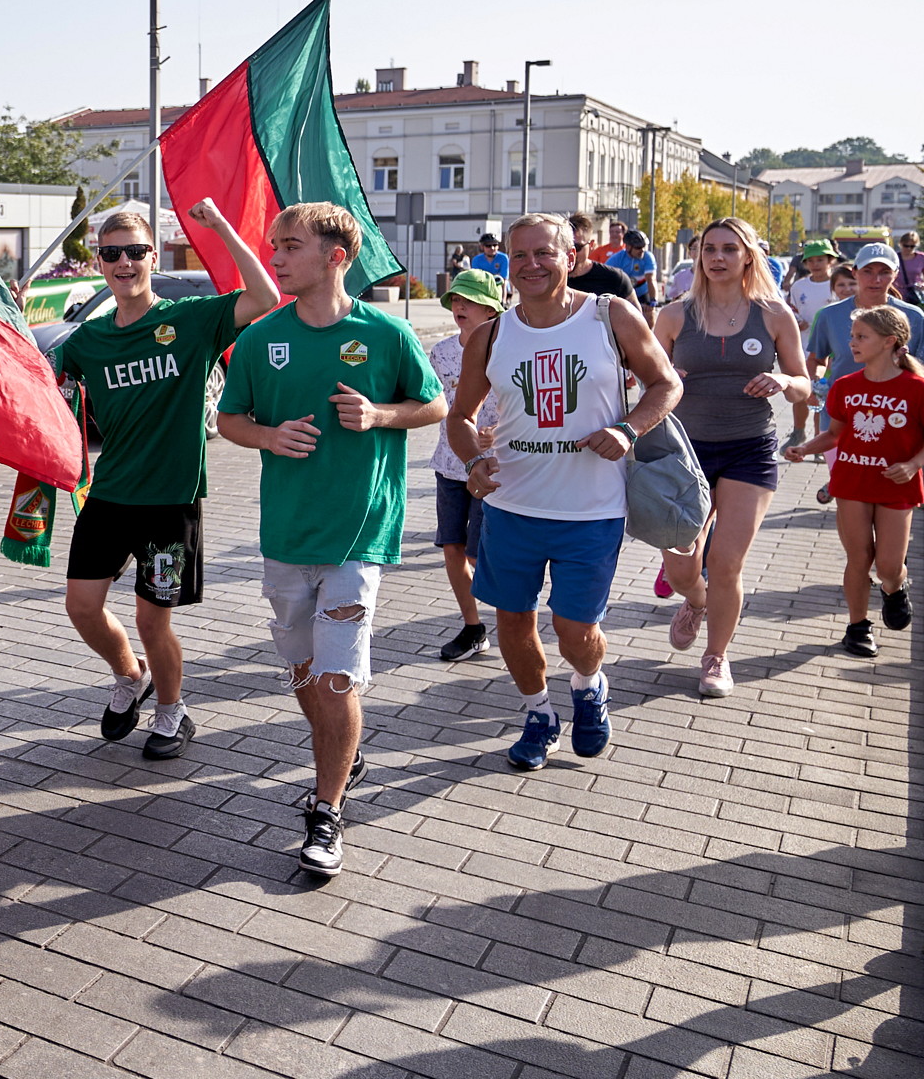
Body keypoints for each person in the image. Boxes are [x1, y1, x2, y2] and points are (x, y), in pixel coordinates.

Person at [217, 202, 446, 877]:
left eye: (290, 246)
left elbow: (433, 403)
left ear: (336, 256)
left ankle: (326, 808)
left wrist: (380, 415)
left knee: (338, 677)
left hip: (358, 534)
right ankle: (341, 755)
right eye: (275, 245)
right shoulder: (261, 338)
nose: (277, 257)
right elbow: (230, 419)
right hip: (287, 534)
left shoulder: (385, 332)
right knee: (304, 671)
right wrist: (268, 436)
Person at [446, 214, 681, 770]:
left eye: (545, 253)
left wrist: (629, 430)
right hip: (511, 507)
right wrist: (474, 460)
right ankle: (539, 714)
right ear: (506, 263)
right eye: (520, 255)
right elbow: (459, 417)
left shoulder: (609, 315)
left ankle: (589, 683)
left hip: (592, 510)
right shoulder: (492, 335)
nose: (532, 265)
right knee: (512, 622)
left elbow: (666, 383)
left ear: (571, 258)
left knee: (576, 631)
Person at [53, 200, 279, 761]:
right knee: (81, 606)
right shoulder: (87, 340)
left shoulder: (192, 321)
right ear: (99, 264)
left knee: (152, 621)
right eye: (111, 254)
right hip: (109, 496)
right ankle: (131, 676)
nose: (123, 263)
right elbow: (35, 378)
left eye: (135, 251)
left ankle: (173, 711)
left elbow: (265, 297)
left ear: (153, 257)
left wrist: (220, 226)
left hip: (169, 502)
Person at [653, 217, 811, 697]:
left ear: (748, 257)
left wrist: (783, 381)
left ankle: (716, 658)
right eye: (709, 249)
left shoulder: (774, 314)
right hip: (684, 453)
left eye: (728, 249)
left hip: (750, 449)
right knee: (682, 569)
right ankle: (696, 601)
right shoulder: (674, 315)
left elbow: (804, 385)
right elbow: (647, 378)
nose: (717, 257)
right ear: (699, 256)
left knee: (726, 563)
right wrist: (668, 377)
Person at [785, 305, 924, 657]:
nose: (852, 343)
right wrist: (804, 448)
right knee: (859, 558)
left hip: (897, 486)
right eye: (852, 336)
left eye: (861, 337)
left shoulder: (917, 388)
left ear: (889, 342)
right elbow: (835, 434)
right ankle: (858, 627)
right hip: (852, 482)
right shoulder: (846, 386)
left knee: (888, 566)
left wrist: (913, 464)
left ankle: (894, 589)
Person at [805, 243, 924, 503]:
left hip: (894, 420)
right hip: (841, 420)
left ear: (895, 274)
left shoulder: (913, 317)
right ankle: (838, 486)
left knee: (882, 495)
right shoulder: (830, 316)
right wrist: (815, 384)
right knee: (850, 497)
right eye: (868, 271)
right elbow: (816, 359)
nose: (876, 279)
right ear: (854, 272)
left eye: (884, 272)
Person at [426, 270, 504, 663]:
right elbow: (428, 399)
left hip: (494, 468)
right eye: (455, 300)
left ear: (490, 309)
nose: (459, 306)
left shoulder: (508, 348)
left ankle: (514, 616)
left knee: (478, 555)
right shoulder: (440, 352)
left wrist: (498, 432)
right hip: (449, 464)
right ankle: (473, 628)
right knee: (453, 549)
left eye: (468, 300)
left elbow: (528, 406)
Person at [783, 241, 837, 451]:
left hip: (830, 348)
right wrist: (797, 320)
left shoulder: (838, 283)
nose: (815, 264)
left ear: (830, 261)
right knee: (802, 390)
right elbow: (790, 308)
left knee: (822, 395)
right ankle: (798, 432)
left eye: (820, 260)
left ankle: (818, 441)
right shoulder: (799, 286)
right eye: (811, 261)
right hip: (805, 345)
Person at [565, 214, 635, 302]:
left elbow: (635, 309)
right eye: (565, 247)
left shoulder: (615, 279)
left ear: (591, 245)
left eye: (577, 247)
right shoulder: (551, 278)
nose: (570, 253)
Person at [607, 229, 658, 323]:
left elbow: (651, 279)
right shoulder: (616, 259)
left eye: (644, 246)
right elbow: (607, 279)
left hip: (642, 293)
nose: (642, 250)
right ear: (628, 247)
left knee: (649, 317)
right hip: (624, 293)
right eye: (638, 247)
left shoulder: (648, 257)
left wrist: (653, 301)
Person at [893, 233, 924, 303]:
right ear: (900, 244)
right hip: (897, 293)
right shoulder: (894, 257)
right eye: (906, 246)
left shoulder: (922, 257)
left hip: (916, 293)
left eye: (912, 246)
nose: (909, 248)